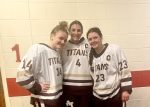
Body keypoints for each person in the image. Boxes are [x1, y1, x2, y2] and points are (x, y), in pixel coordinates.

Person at [16, 21, 68, 107]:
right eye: (60, 38)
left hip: (57, 98)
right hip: (44, 98)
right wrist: (37, 87)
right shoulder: (38, 49)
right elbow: (21, 76)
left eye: (65, 40)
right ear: (52, 36)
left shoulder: (57, 52)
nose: (63, 42)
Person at [86, 27, 132, 107]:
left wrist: (126, 90)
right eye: (90, 39)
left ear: (101, 37)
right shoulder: (89, 55)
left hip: (114, 95)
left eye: (95, 37)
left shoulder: (114, 49)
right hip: (97, 96)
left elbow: (124, 70)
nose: (93, 41)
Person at [62, 20, 93, 107]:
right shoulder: (63, 45)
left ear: (82, 32)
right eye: (73, 30)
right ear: (69, 31)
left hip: (86, 87)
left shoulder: (89, 45)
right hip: (69, 87)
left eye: (79, 30)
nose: (76, 32)